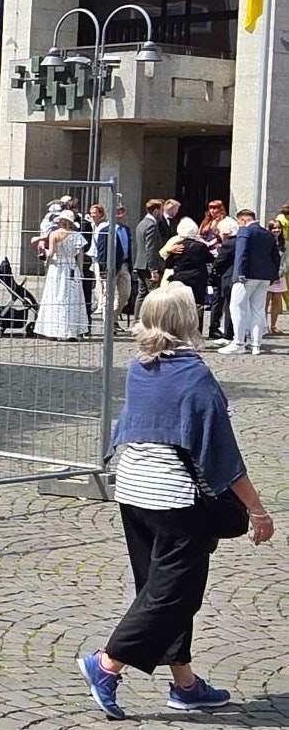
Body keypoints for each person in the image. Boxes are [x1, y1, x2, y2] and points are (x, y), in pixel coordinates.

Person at [78, 282, 273, 720]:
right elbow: (221, 454)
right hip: (174, 499)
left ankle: (185, 684)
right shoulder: (195, 375)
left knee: (159, 590)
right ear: (188, 320)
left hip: (133, 489)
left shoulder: (139, 367)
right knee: (171, 595)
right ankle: (106, 665)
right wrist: (257, 511)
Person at [221, 209, 277, 356]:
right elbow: (275, 256)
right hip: (264, 277)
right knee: (258, 309)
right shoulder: (268, 234)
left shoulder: (245, 232)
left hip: (247, 276)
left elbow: (241, 254)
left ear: (244, 220)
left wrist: (239, 274)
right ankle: (256, 345)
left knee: (237, 306)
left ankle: (238, 342)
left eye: (239, 222)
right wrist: (273, 275)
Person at [35, 210, 89, 340]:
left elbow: (51, 253)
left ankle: (53, 330)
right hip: (71, 267)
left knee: (55, 298)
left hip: (57, 267)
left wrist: (46, 260)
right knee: (72, 299)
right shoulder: (77, 236)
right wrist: (80, 271)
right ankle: (72, 331)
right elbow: (80, 257)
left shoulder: (54, 234)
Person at [92, 203, 131, 328]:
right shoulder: (106, 231)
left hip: (124, 265)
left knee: (125, 294)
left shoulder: (126, 229)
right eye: (117, 212)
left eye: (122, 212)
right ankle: (108, 324)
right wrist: (103, 268)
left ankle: (113, 318)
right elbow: (102, 251)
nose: (120, 215)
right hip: (110, 266)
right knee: (108, 295)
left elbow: (129, 249)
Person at [162, 218, 213, 296]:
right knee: (196, 303)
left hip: (180, 279)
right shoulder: (200, 245)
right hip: (197, 279)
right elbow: (210, 259)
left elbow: (168, 264)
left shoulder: (176, 244)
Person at [206, 222, 237, 344]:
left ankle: (228, 334)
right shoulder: (239, 241)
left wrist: (212, 271)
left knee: (229, 306)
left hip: (228, 277)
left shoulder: (229, 243)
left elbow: (220, 261)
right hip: (237, 276)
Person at [270, 219, 288, 335]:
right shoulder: (266, 241)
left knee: (276, 301)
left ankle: (273, 325)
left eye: (278, 228)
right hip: (267, 275)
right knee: (264, 302)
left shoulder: (285, 244)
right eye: (274, 228)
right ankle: (263, 325)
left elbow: (286, 260)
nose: (276, 230)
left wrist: (280, 272)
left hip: (279, 276)